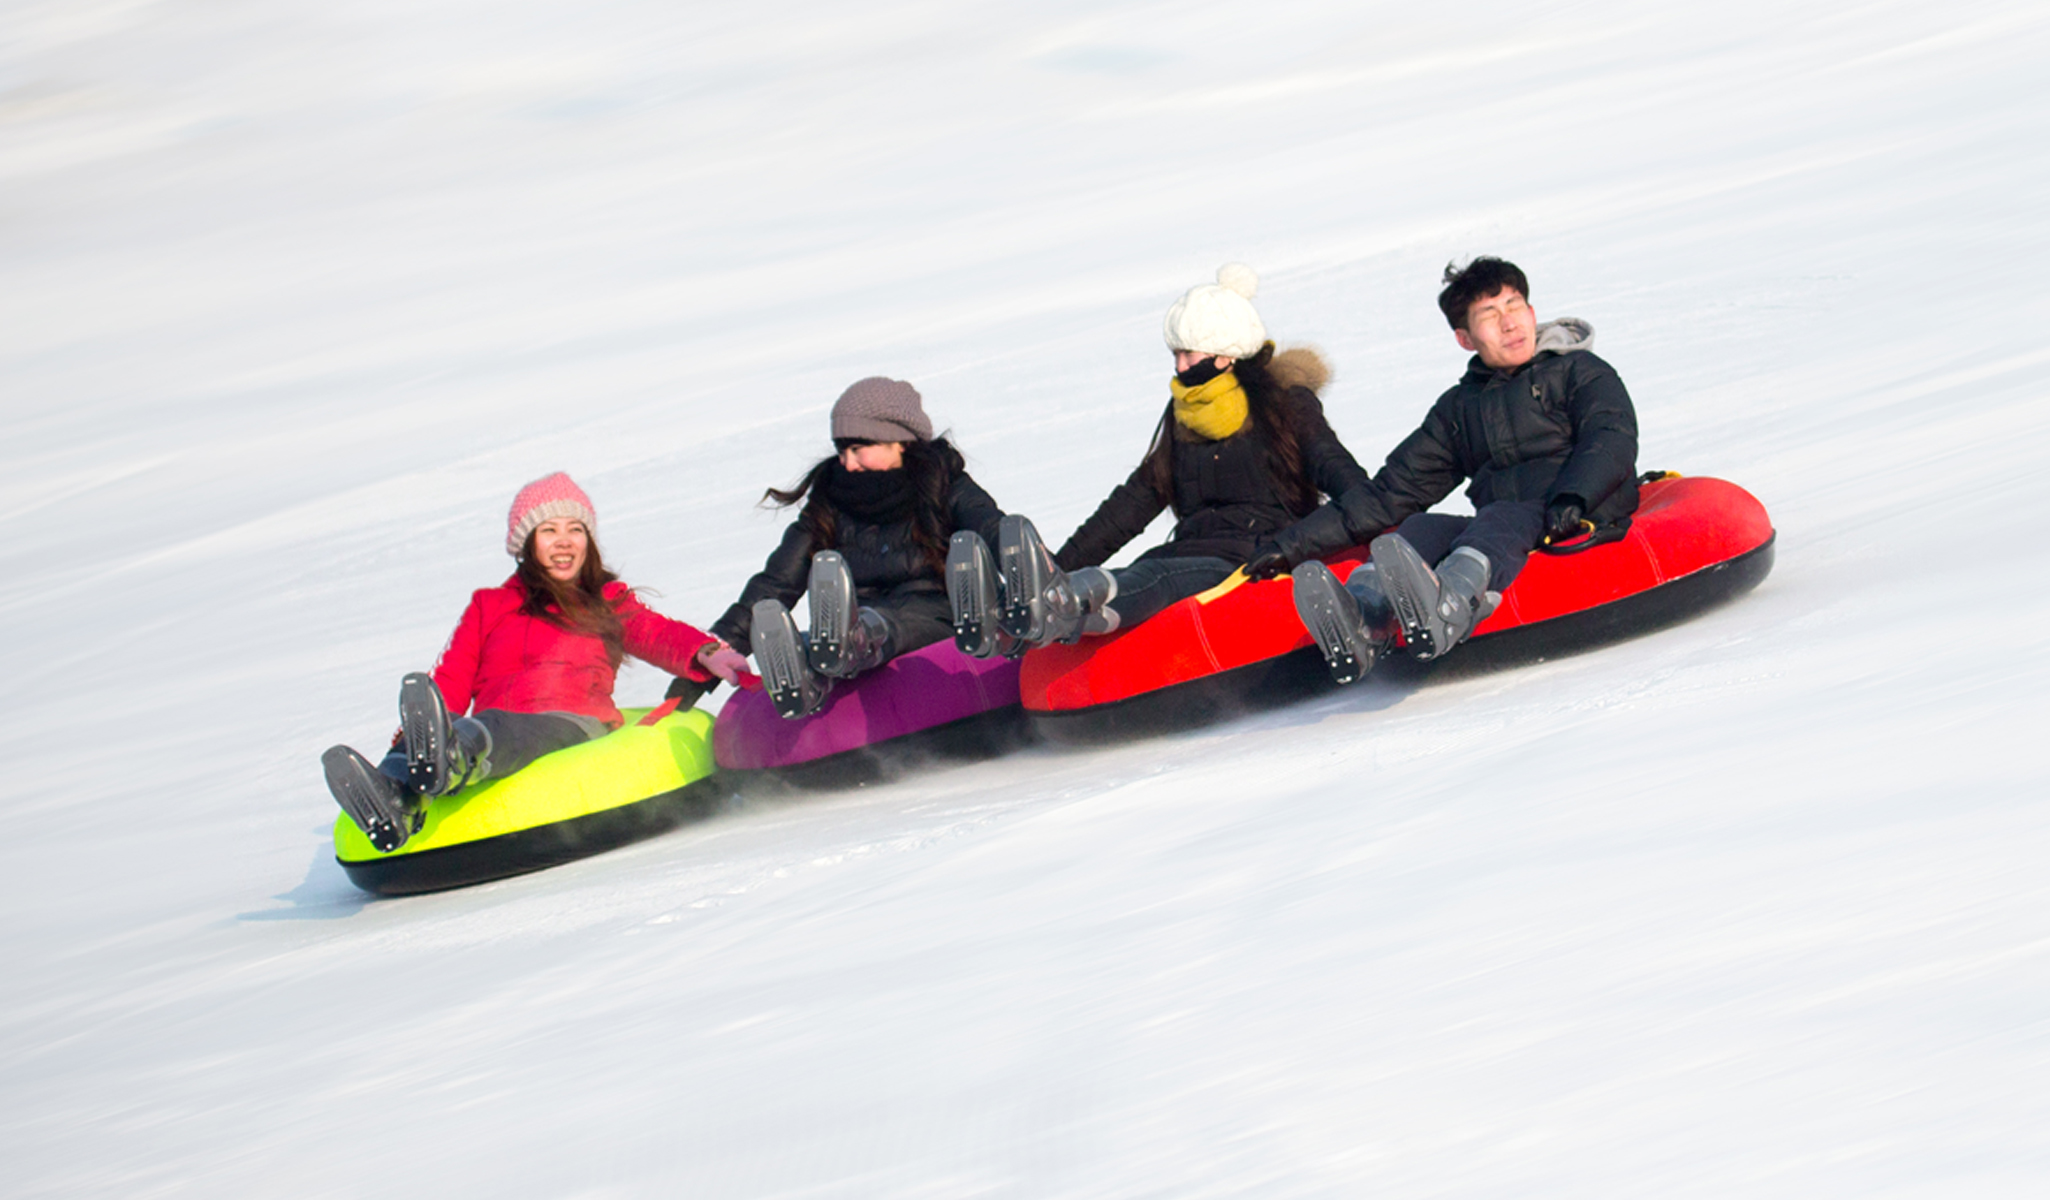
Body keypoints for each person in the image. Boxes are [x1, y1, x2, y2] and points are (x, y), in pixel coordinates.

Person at [948, 263, 1369, 652]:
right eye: (1176, 355)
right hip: (1191, 552)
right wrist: (1061, 563)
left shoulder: (1284, 407)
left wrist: (1300, 546)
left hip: (1255, 558)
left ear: (1226, 356)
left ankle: (1064, 604)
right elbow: (1131, 505)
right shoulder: (1184, 418)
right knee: (1145, 571)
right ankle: (1046, 602)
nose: (1180, 366)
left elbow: (1342, 476)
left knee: (1157, 579)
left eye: (1189, 354)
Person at [321, 473, 747, 852]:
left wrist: (706, 652)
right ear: (526, 542)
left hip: (571, 723)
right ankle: (395, 797)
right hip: (490, 725)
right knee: (441, 735)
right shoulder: (488, 606)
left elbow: (655, 632)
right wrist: (415, 736)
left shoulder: (607, 600)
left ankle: (451, 761)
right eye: (549, 529)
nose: (564, 540)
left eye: (575, 529)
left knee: (496, 728)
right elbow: (452, 675)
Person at [1288, 257, 1640, 683]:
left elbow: (1611, 434)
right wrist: (1289, 545)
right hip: (1507, 521)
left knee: (1499, 518)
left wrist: (1574, 496)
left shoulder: (1578, 371)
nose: (1509, 323)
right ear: (1465, 338)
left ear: (1531, 313)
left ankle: (1451, 609)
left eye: (1514, 306)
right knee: (1420, 528)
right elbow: (1393, 491)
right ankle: (1366, 620)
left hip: (1579, 507)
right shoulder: (1461, 407)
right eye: (1490, 315)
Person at [711, 377, 1006, 719]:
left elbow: (993, 530)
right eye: (841, 451)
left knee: (896, 622)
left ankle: (850, 642)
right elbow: (776, 582)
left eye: (858, 449)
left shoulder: (945, 485)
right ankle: (804, 658)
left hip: (942, 616)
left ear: (900, 442)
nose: (848, 464)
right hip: (854, 616)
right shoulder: (831, 500)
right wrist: (715, 649)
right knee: (846, 629)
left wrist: (1036, 589)